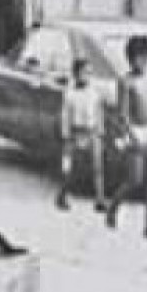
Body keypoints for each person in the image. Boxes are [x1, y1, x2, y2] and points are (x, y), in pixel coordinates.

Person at [104, 35, 147, 240]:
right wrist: (130, 134)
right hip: (135, 130)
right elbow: (123, 114)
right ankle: (113, 207)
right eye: (140, 57)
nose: (144, 61)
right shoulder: (125, 81)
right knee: (135, 179)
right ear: (131, 58)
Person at [55, 57, 107, 211]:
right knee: (68, 167)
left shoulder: (94, 92)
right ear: (76, 74)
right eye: (84, 72)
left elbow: (99, 111)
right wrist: (65, 135)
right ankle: (62, 195)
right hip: (74, 132)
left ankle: (100, 199)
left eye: (89, 73)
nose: (86, 76)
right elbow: (66, 114)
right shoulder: (69, 93)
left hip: (92, 131)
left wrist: (100, 130)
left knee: (97, 167)